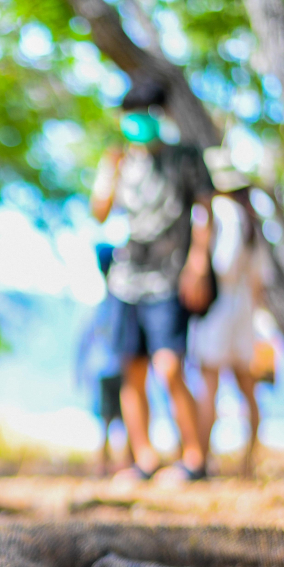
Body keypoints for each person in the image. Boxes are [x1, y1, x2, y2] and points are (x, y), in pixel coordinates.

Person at [90, 78, 214, 484]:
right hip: (127, 280)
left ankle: (194, 459)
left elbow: (204, 212)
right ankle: (144, 459)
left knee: (170, 367)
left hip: (170, 278)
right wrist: (108, 171)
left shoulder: (186, 157)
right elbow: (99, 212)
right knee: (132, 369)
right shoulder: (120, 161)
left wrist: (198, 265)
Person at [190, 150, 268, 479]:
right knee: (246, 387)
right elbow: (260, 279)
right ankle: (249, 461)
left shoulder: (220, 213)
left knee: (209, 383)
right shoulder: (251, 218)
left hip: (220, 308)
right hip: (244, 311)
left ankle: (201, 460)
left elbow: (223, 265)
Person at [76, 244, 126, 477]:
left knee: (111, 420)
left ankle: (113, 463)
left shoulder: (103, 303)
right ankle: (110, 464)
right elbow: (84, 341)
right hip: (109, 366)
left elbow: (83, 342)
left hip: (108, 366)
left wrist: (79, 371)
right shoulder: (108, 303)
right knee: (113, 419)